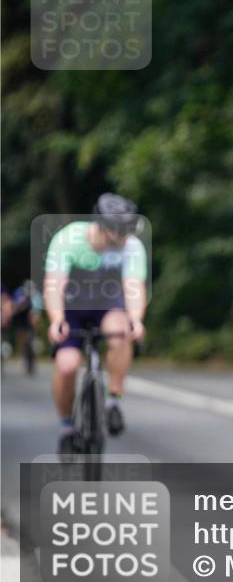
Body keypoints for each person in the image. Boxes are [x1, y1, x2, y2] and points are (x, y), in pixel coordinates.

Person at [44, 193, 147, 453]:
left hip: (107, 304)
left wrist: (136, 319)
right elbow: (54, 285)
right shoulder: (68, 239)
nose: (126, 238)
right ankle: (67, 427)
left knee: (121, 332)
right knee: (67, 365)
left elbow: (134, 286)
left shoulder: (131, 245)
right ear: (104, 227)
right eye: (121, 232)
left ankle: (113, 401)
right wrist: (57, 320)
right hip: (71, 306)